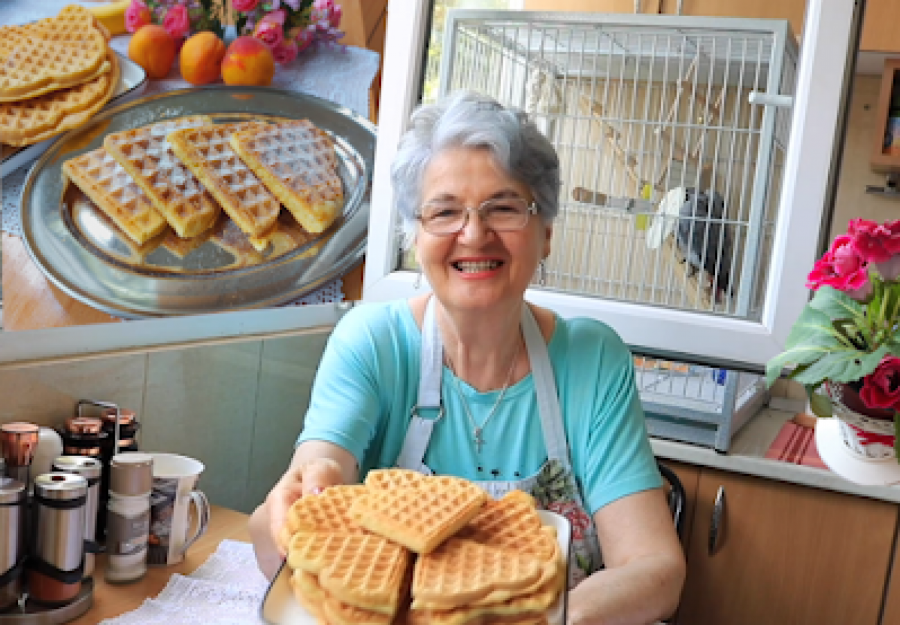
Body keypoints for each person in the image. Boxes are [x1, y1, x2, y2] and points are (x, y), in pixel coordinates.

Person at [249, 90, 686, 624]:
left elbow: (656, 569)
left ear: (545, 232)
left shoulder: (592, 359)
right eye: (445, 211)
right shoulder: (372, 342)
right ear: (415, 237)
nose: (474, 234)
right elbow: (313, 484)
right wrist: (305, 488)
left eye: (503, 208)